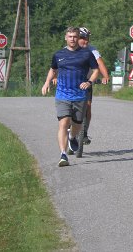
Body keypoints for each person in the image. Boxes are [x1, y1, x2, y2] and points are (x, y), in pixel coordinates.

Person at [41, 27, 99, 167]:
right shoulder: (58, 54)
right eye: (70, 36)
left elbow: (96, 70)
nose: (72, 39)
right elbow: (53, 69)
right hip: (62, 95)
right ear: (65, 38)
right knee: (63, 122)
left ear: (78, 38)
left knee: (77, 124)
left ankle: (72, 137)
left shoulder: (86, 54)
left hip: (80, 95)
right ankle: (63, 155)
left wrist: (89, 82)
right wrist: (47, 82)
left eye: (75, 36)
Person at [77, 27, 109, 146]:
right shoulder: (69, 49)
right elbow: (59, 65)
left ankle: (84, 132)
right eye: (82, 38)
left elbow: (99, 63)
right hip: (73, 82)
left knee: (88, 107)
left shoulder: (92, 49)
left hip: (87, 81)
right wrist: (55, 78)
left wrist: (105, 76)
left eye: (87, 38)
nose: (85, 41)